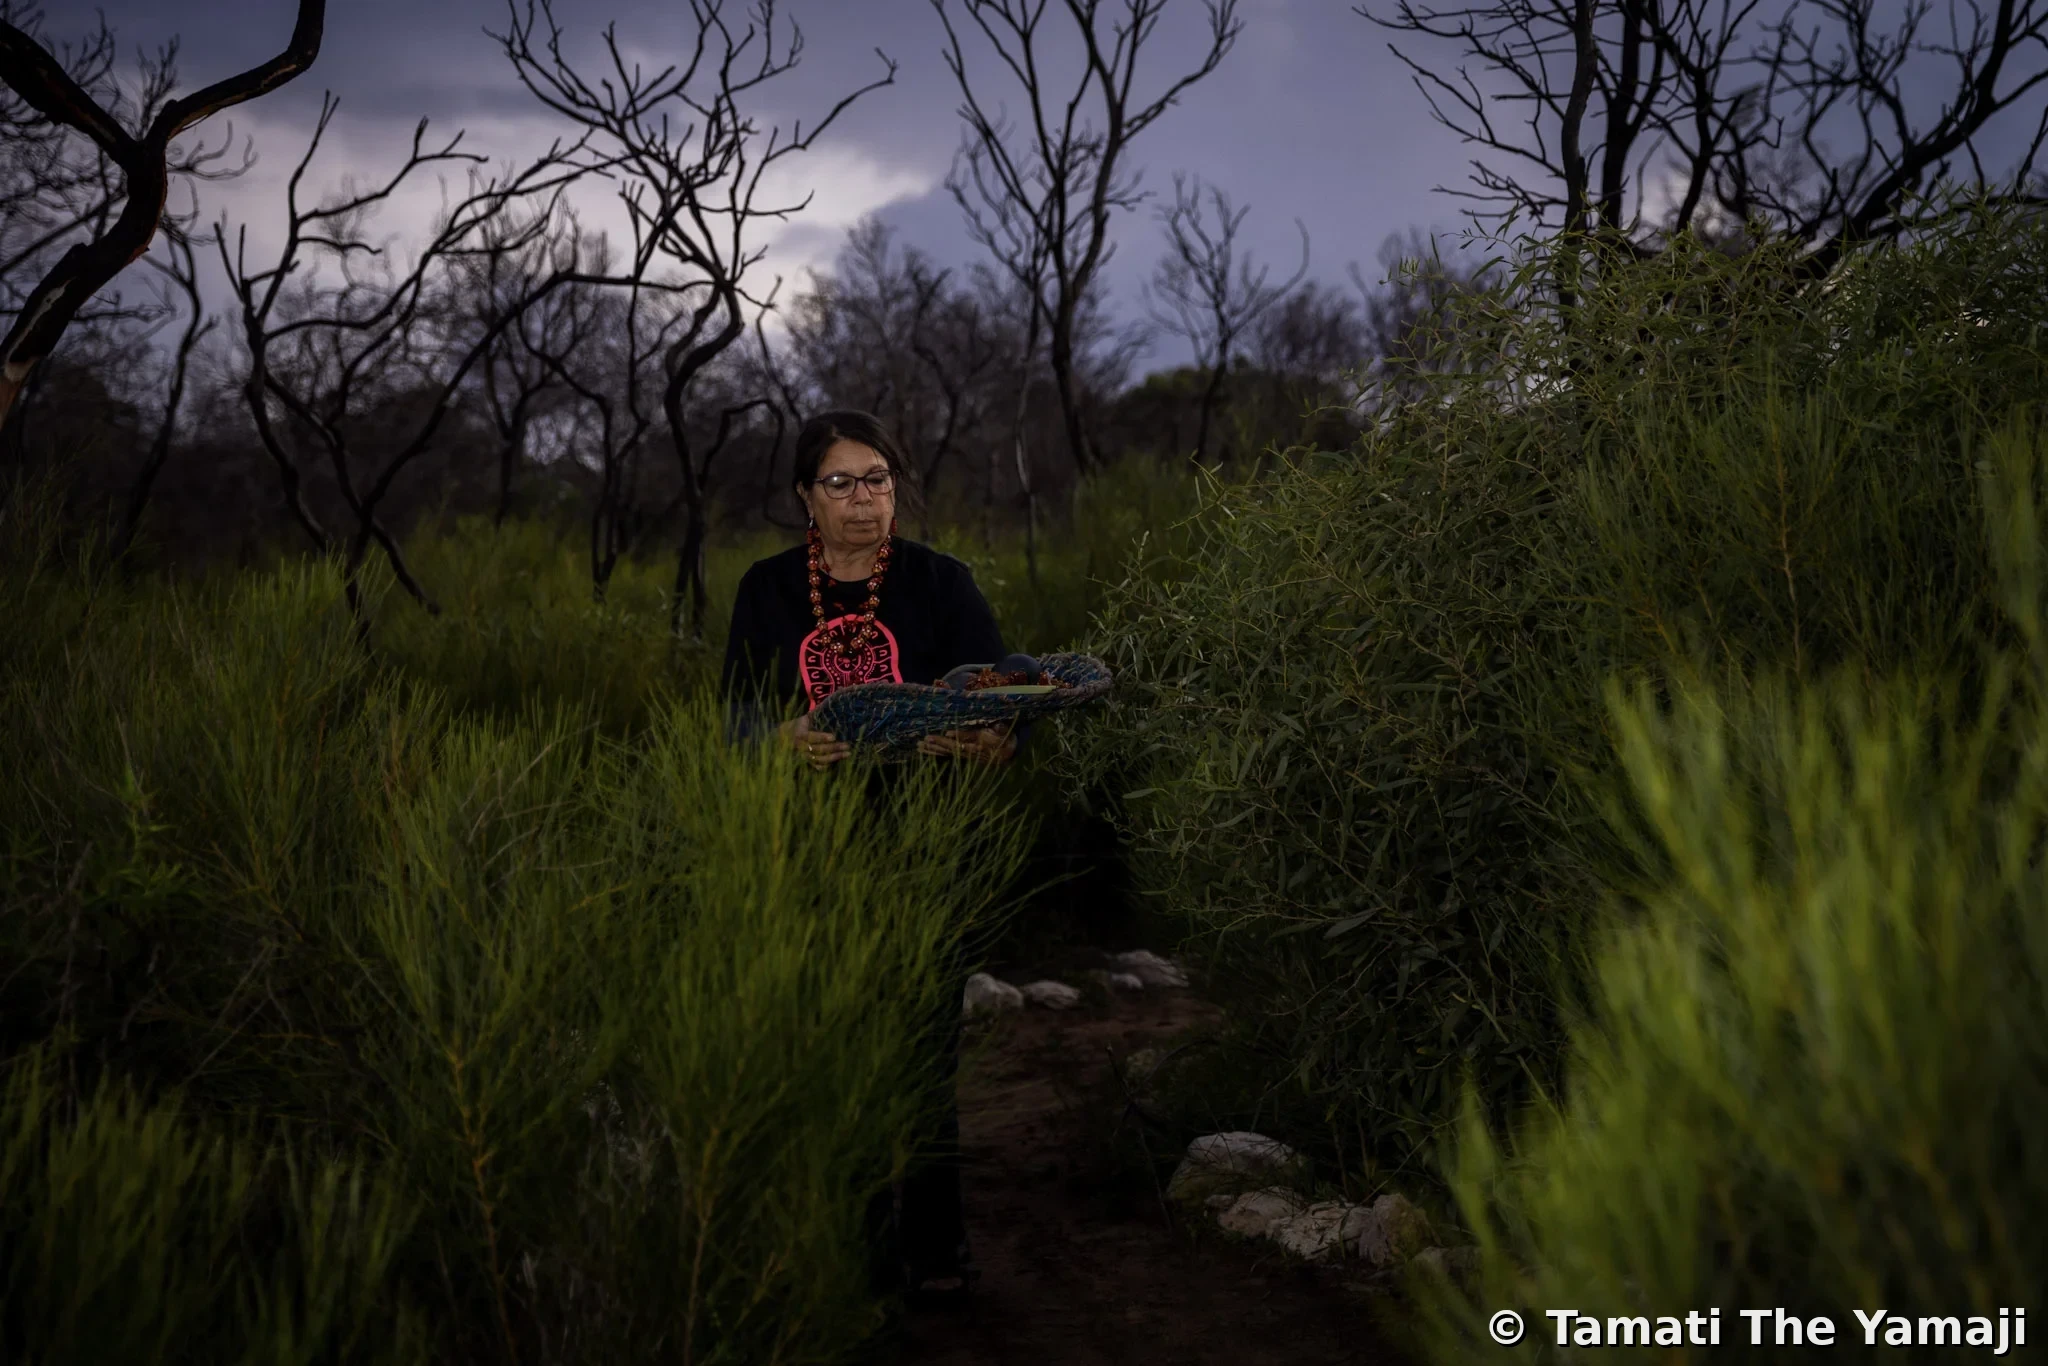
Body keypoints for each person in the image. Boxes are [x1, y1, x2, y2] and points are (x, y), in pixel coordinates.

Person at [720, 409, 1020, 1300]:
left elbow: (1001, 693)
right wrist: (777, 737)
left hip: (924, 851)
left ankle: (936, 1250)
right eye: (842, 483)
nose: (865, 500)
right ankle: (853, 1250)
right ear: (805, 499)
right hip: (810, 855)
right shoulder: (767, 591)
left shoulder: (940, 584)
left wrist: (995, 735)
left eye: (879, 479)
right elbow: (732, 716)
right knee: (835, 1045)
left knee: (923, 1055)